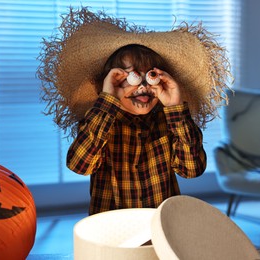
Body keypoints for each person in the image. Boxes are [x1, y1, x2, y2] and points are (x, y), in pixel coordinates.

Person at [37, 6, 232, 215]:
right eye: (131, 77)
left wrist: (175, 108)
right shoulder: (100, 121)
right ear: (110, 83)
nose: (142, 87)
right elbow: (79, 165)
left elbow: (192, 170)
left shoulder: (169, 122)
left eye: (151, 76)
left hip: (160, 227)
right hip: (112, 230)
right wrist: (108, 100)